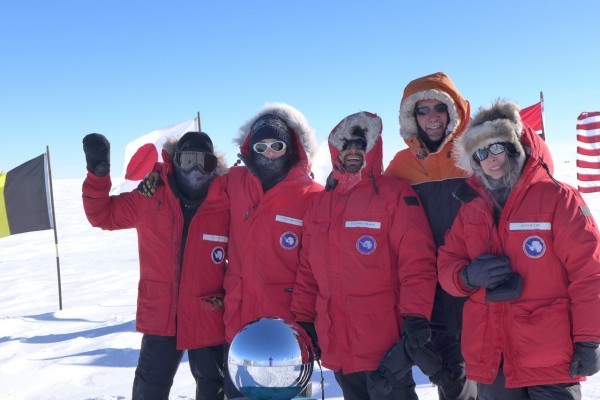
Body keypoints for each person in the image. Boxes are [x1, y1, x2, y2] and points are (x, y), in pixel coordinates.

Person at [437, 100, 600, 400]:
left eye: (496, 147)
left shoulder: (558, 199)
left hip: (550, 358)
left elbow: (589, 274)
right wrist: (468, 276)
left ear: (514, 145)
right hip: (492, 358)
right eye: (481, 153)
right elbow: (447, 267)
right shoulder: (471, 207)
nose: (491, 160)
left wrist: (590, 340)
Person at [290, 111, 438, 400]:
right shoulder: (320, 204)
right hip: (337, 341)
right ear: (336, 151)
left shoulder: (394, 195)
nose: (354, 150)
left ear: (372, 147)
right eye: (347, 144)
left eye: (361, 143)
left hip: (384, 343)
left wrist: (416, 315)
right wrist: (304, 319)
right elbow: (307, 270)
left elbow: (417, 263)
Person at [82, 131, 230, 400]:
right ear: (175, 161)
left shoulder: (226, 201)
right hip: (162, 314)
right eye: (187, 160)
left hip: (207, 313)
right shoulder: (149, 197)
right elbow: (102, 215)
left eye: (204, 162)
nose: (195, 168)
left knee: (213, 389)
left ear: (214, 166)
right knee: (150, 389)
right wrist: (98, 172)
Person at [384, 71, 477, 399]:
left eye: (438, 108)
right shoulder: (400, 167)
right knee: (452, 382)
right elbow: (375, 208)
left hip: (474, 284)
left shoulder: (476, 157)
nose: (431, 118)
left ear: (453, 112)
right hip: (428, 290)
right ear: (411, 117)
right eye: (422, 111)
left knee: (490, 375)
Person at [222, 103, 323, 398]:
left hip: (287, 337)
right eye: (261, 145)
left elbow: (318, 268)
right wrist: (161, 174)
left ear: (291, 147)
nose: (268, 153)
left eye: (277, 145)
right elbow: (192, 177)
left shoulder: (314, 196)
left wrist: (310, 324)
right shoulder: (233, 183)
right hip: (238, 330)